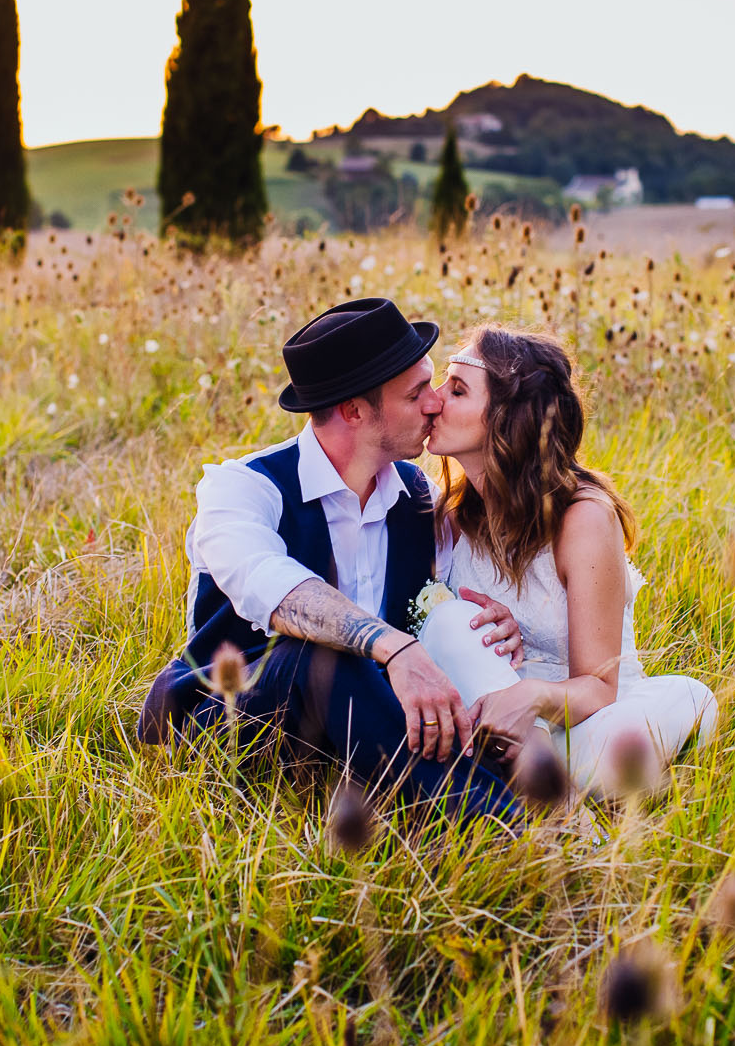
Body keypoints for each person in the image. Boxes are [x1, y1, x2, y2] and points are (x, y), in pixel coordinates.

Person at [135, 297, 527, 823]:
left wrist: (492, 622)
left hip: (363, 726)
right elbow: (271, 586)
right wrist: (394, 649)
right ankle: (509, 831)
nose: (435, 404)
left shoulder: (419, 499)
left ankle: (487, 802)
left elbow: (448, 603)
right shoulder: (242, 488)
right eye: (416, 394)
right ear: (354, 411)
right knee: (316, 656)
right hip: (227, 721)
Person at [418, 325, 719, 797]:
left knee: (690, 700)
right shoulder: (452, 514)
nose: (433, 400)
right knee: (449, 622)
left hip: (586, 719)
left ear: (506, 419)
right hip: (491, 715)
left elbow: (599, 688)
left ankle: (528, 783)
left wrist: (530, 695)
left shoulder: (582, 518)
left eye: (456, 389)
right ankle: (552, 795)